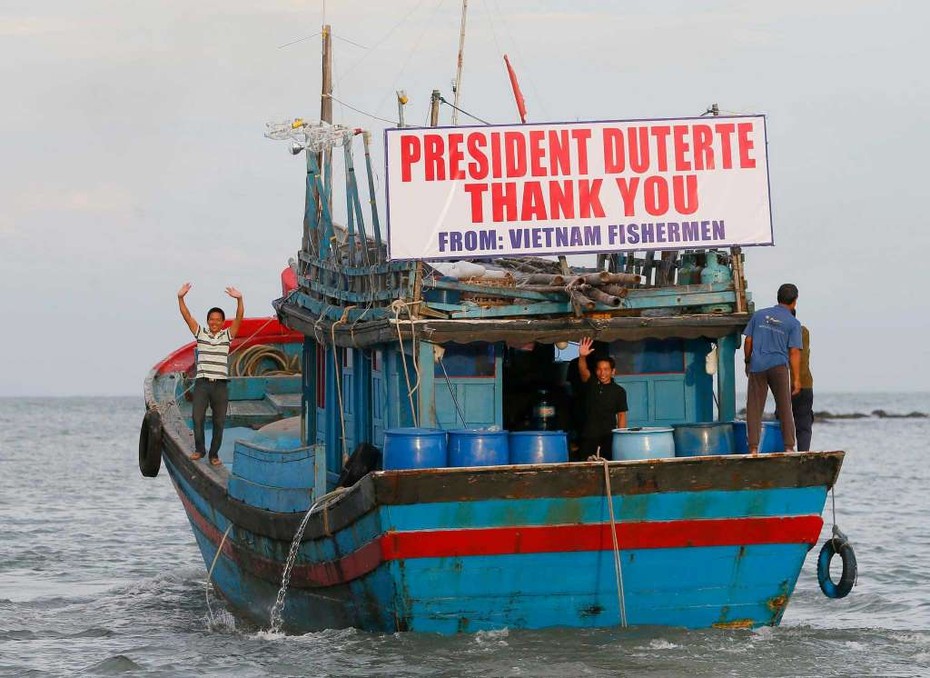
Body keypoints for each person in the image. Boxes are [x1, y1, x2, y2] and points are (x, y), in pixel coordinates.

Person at [177, 282, 244, 466]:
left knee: (219, 422)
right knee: (197, 418)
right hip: (202, 384)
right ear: (208, 321)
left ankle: (214, 455)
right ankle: (200, 450)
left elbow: (239, 317)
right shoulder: (200, 334)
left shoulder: (227, 336)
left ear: (223, 322)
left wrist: (239, 299)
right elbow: (187, 316)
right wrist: (181, 298)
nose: (214, 322)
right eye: (211, 319)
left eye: (218, 320)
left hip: (220, 385)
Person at [743, 283, 802, 454]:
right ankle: (789, 447)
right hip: (779, 367)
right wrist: (797, 379)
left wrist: (748, 361)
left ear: (778, 297)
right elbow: (794, 352)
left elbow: (748, 341)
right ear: (794, 302)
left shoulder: (759, 315)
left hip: (758, 366)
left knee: (754, 409)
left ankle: (753, 448)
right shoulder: (793, 323)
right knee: (784, 406)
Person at [577, 337, 628, 459]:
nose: (602, 373)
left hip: (608, 437)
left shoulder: (619, 391)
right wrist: (582, 356)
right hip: (589, 435)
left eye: (606, 369)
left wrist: (621, 438)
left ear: (613, 371)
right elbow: (583, 371)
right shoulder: (591, 383)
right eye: (599, 369)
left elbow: (621, 416)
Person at [791, 314, 814, 451]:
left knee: (782, 421)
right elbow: (803, 356)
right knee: (804, 424)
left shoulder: (779, 333)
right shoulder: (803, 331)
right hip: (805, 383)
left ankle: (786, 452)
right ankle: (803, 456)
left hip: (785, 383)